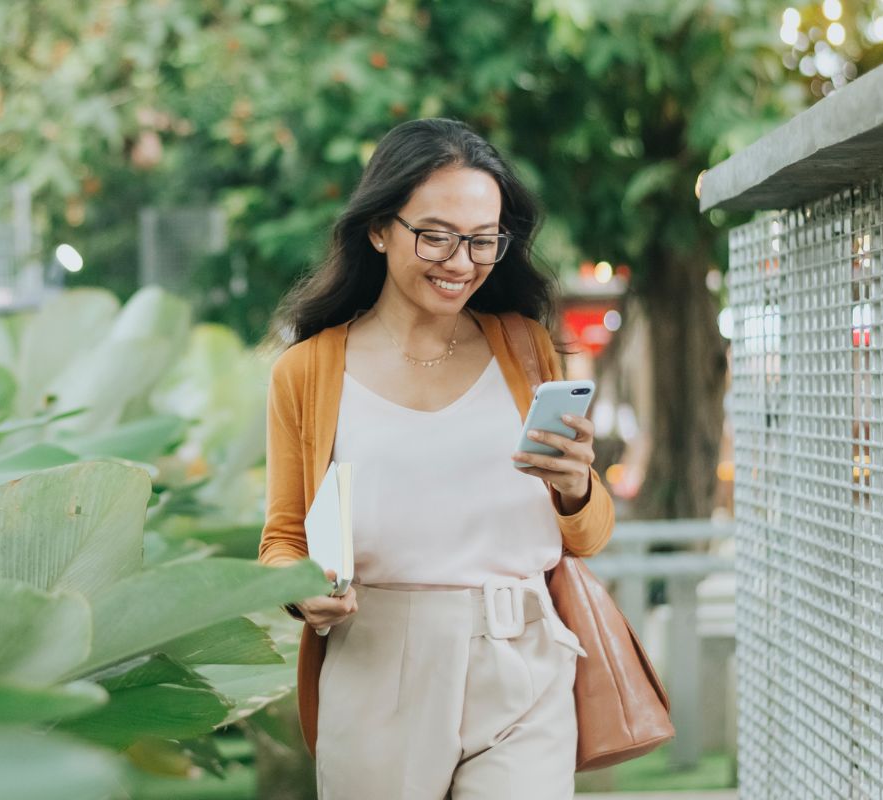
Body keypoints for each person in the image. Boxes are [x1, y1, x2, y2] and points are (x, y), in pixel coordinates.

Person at [258, 117, 615, 800]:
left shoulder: (524, 348)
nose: (461, 262)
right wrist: (300, 593)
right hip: (376, 660)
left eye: (483, 241)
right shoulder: (307, 372)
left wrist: (576, 490)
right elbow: (283, 540)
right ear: (379, 228)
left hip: (524, 660)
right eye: (436, 235)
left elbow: (587, 536)